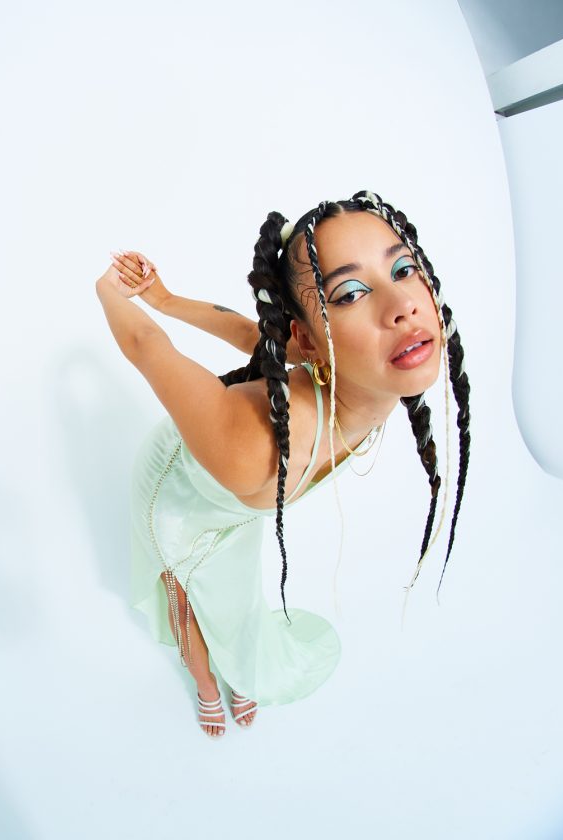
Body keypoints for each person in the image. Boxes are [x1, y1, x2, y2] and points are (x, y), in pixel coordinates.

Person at [95, 189, 471, 738]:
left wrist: (166, 298)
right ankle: (205, 683)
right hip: (177, 495)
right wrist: (108, 290)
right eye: (350, 292)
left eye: (403, 269)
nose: (403, 306)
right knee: (188, 597)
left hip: (240, 499)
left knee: (236, 593)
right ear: (309, 339)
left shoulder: (362, 372)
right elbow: (145, 345)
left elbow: (253, 335)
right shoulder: (253, 446)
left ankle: (240, 668)